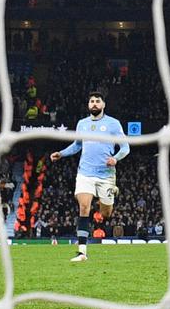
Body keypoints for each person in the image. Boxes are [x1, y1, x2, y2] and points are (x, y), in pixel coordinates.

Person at [49, 90, 129, 263]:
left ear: (103, 105)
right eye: (92, 101)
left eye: (97, 101)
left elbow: (125, 147)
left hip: (106, 175)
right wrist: (61, 154)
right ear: (88, 105)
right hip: (85, 173)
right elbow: (77, 145)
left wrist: (115, 158)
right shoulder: (82, 124)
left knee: (105, 213)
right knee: (84, 208)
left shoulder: (113, 124)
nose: (94, 103)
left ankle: (112, 192)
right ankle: (82, 252)